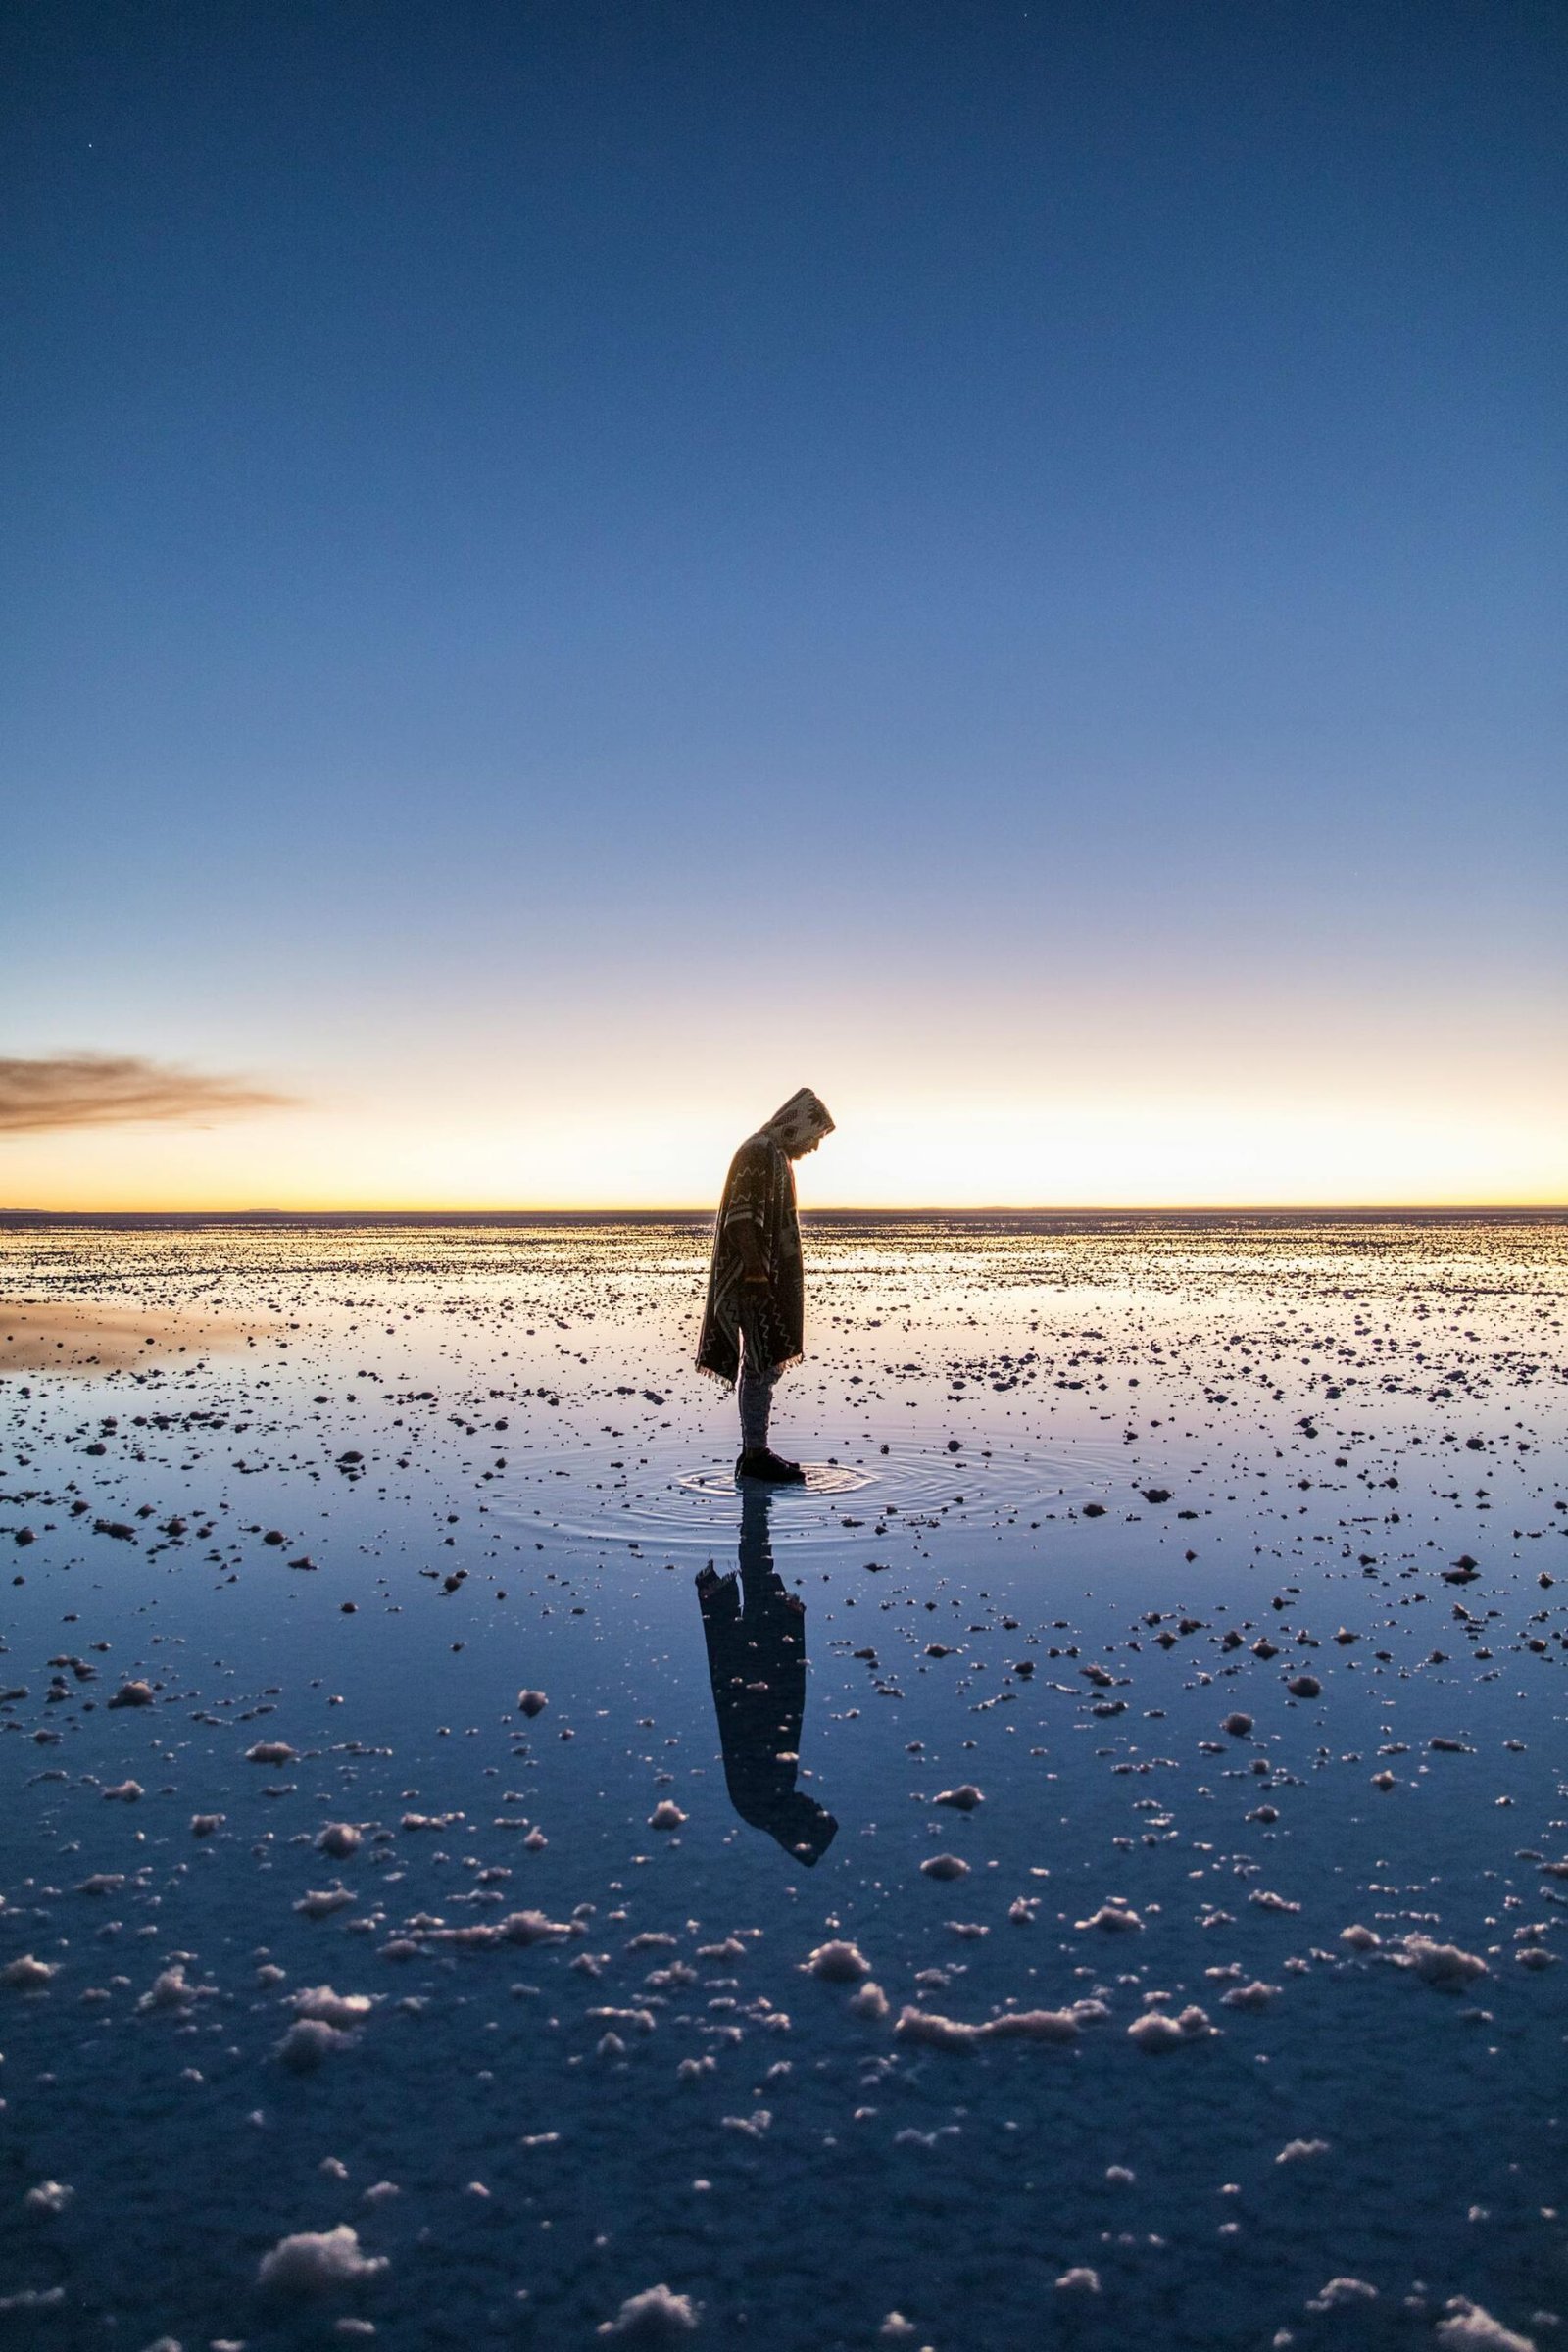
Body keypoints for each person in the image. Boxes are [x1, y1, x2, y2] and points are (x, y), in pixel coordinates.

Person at [696, 1086, 835, 1483]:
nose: (814, 1146)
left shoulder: (772, 1154)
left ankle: (755, 1451)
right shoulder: (758, 1152)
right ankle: (754, 1456)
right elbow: (742, 1220)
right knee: (759, 1363)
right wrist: (757, 1275)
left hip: (762, 1277)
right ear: (798, 1124)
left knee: (763, 1364)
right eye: (815, 1135)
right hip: (751, 1279)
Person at [695, 1485, 838, 1865]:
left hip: (753, 1667)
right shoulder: (764, 1803)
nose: (812, 1802)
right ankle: (752, 1512)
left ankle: (752, 1508)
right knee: (759, 1573)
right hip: (751, 1667)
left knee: (759, 1573)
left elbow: (764, 1713)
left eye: (813, 1811)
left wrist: (785, 1646)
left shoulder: (762, 1800)